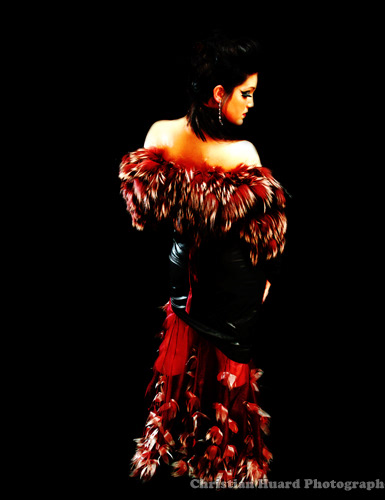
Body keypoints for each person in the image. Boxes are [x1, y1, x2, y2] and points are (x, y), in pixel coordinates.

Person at [119, 32, 287, 485]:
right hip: (228, 288)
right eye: (245, 93)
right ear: (218, 93)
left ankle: (188, 453)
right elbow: (269, 236)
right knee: (223, 393)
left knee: (186, 380)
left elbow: (143, 210)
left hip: (193, 281)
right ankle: (217, 461)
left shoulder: (161, 134)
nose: (252, 103)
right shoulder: (242, 154)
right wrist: (266, 281)